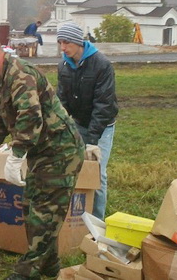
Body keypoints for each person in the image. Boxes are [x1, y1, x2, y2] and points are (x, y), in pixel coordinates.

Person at [0, 35, 84, 280]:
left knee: (44, 214)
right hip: (42, 153)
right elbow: (2, 118)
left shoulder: (20, 74)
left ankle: (25, 273)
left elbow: (31, 116)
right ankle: (51, 268)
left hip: (61, 152)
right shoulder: (3, 80)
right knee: (32, 210)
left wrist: (16, 155)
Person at [56, 23, 118, 221]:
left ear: (77, 41)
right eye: (60, 42)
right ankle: (75, 218)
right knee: (73, 168)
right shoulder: (63, 65)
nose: (62, 48)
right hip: (78, 123)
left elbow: (104, 105)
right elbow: (61, 101)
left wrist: (92, 141)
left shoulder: (101, 64)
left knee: (97, 172)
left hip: (102, 126)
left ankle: (97, 222)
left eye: (66, 42)